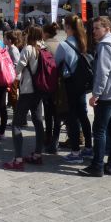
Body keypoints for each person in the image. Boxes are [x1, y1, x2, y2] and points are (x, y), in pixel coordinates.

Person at [78, 17, 111, 177]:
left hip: (107, 94)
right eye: (93, 28)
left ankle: (97, 165)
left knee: (99, 130)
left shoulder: (105, 46)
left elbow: (102, 72)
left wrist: (96, 94)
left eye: (97, 28)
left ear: (107, 29)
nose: (94, 31)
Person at [3, 26, 45, 171]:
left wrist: (10, 77)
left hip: (27, 90)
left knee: (16, 123)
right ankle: (38, 154)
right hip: (39, 90)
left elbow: (18, 69)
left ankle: (18, 159)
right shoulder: (43, 48)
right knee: (38, 122)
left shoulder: (28, 49)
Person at [55, 15, 93, 164]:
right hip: (82, 84)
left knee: (72, 117)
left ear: (67, 27)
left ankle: (76, 152)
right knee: (83, 115)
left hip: (70, 84)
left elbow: (56, 63)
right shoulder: (83, 41)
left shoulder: (64, 45)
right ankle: (88, 148)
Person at [42, 22, 61, 154]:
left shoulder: (45, 46)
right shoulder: (60, 44)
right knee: (57, 113)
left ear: (46, 33)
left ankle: (48, 137)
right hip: (59, 83)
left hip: (47, 83)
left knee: (48, 113)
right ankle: (55, 139)